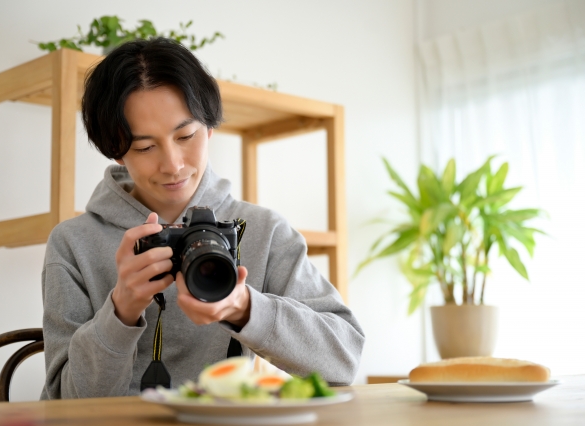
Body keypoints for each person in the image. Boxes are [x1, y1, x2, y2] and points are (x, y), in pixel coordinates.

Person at [41, 37, 365, 399]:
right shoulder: (73, 243)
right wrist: (120, 311)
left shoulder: (262, 231)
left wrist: (245, 308)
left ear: (210, 127)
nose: (173, 164)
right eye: (145, 147)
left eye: (186, 135)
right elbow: (65, 403)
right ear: (115, 152)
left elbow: (344, 358)